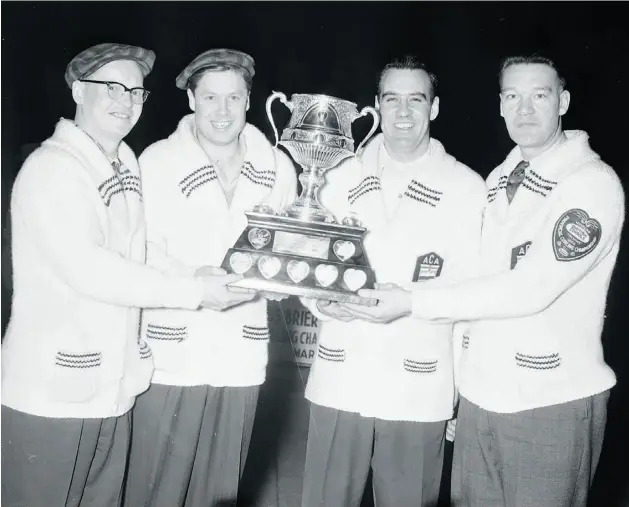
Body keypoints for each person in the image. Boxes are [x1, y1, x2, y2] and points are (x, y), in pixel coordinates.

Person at [355, 55, 626, 507]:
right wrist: (458, 392)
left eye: (539, 95)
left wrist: (411, 301)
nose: (524, 109)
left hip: (549, 399)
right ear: (500, 105)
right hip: (482, 399)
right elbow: (474, 285)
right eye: (512, 96)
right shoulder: (500, 179)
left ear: (563, 101)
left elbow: (530, 288)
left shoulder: (590, 184)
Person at [0, 43, 255, 507]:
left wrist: (195, 271)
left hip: (112, 390)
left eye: (136, 92)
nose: (126, 101)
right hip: (54, 395)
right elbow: (93, 271)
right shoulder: (53, 168)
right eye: (112, 88)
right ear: (78, 90)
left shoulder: (123, 163)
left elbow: (137, 258)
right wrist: (193, 290)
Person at [300, 56, 486, 507]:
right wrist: (321, 303)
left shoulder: (466, 187)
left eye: (416, 100)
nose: (403, 113)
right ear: (376, 106)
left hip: (419, 383)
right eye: (392, 99)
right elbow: (304, 262)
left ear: (435, 107)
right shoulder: (335, 174)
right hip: (342, 374)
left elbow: (472, 300)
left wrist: (461, 390)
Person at [123, 48, 297, 507]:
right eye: (210, 98)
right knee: (156, 486)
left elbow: (291, 250)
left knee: (221, 489)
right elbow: (137, 248)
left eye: (233, 98)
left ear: (248, 101)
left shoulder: (280, 167)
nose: (222, 112)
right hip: (173, 350)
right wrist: (192, 281)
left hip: (240, 353)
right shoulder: (155, 162)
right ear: (191, 101)